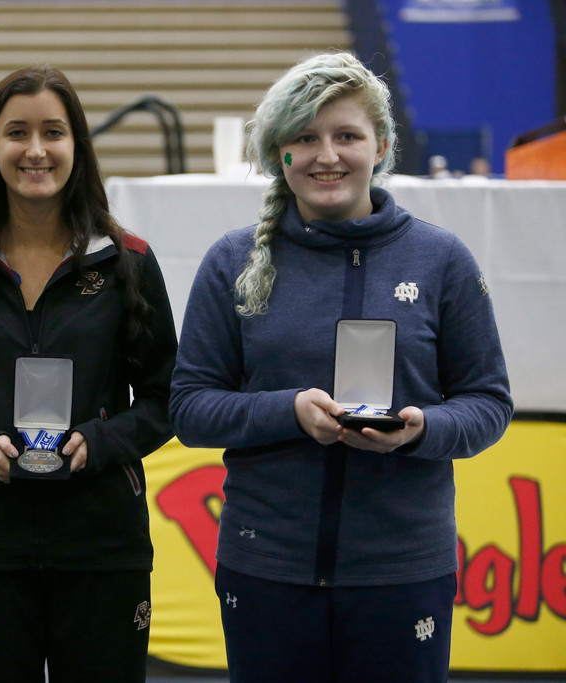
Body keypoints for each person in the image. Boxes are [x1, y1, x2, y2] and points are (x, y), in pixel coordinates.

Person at [169, 52, 512, 682]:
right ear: (282, 155)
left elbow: (489, 404)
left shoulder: (441, 260)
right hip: (266, 564)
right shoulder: (232, 261)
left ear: (380, 146)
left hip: (403, 569)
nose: (327, 155)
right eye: (305, 137)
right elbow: (189, 407)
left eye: (346, 136)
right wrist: (289, 411)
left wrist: (422, 431)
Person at [0, 64, 177, 682]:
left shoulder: (129, 264)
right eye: (17, 132)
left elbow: (164, 396)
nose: (36, 150)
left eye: (54, 132)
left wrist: (100, 442)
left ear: (77, 147)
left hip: (102, 545)